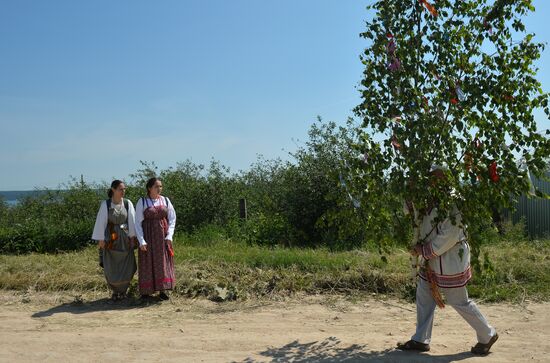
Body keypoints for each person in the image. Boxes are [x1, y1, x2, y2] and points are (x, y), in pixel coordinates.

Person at [397, 165, 498, 355]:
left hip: (450, 259)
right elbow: (410, 213)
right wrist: (409, 192)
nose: (433, 181)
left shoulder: (453, 201)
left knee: (458, 300)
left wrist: (424, 250)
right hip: (430, 261)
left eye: (437, 177)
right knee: (424, 296)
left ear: (447, 179)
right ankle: (421, 339)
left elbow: (450, 235)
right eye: (431, 178)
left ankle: (487, 334)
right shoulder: (427, 198)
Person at [92, 180, 137, 301]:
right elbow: (101, 222)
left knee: (127, 265)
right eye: (120, 189)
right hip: (110, 239)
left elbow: (132, 222)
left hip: (124, 237)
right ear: (113, 190)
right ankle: (115, 291)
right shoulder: (105, 205)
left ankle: (124, 291)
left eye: (124, 189)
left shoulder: (128, 203)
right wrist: (100, 239)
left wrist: (132, 237)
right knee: (111, 265)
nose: (123, 191)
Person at [135, 177, 176, 300]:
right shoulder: (142, 202)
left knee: (162, 261)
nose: (159, 189)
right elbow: (137, 223)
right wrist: (141, 240)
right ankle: (146, 292)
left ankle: (162, 289)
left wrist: (169, 236)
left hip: (162, 236)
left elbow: (172, 219)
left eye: (160, 186)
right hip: (148, 236)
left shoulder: (165, 200)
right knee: (147, 261)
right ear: (149, 188)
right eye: (156, 186)